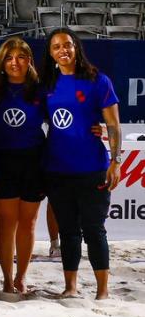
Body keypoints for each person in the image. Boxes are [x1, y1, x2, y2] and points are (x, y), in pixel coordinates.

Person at [40, 27, 121, 300]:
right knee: (69, 232)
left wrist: (115, 161)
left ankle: (102, 291)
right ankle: (71, 287)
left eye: (67, 44)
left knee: (94, 230)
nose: (63, 50)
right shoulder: (47, 84)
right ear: (51, 54)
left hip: (93, 169)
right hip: (58, 169)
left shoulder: (98, 81)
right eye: (56, 47)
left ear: (76, 47)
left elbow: (113, 125)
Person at [0, 37, 46, 297]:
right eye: (9, 58)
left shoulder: (40, 89)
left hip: (33, 160)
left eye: (20, 57)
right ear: (1, 62)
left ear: (29, 60)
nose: (15, 63)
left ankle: (22, 277)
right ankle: (7, 279)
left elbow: (65, 117)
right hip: (2, 160)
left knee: (28, 222)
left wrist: (94, 127)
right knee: (6, 222)